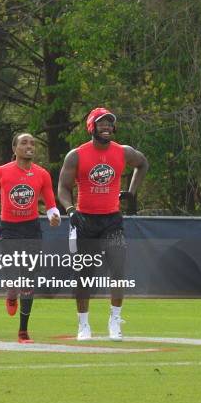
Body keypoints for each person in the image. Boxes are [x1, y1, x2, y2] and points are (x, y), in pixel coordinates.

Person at [58, 107, 148, 341]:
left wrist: (130, 192)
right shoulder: (76, 155)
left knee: (117, 270)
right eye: (102, 124)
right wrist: (70, 210)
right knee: (84, 274)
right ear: (92, 127)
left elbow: (142, 163)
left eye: (110, 123)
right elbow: (63, 188)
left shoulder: (122, 151)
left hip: (112, 220)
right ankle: (83, 324)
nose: (107, 127)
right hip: (85, 220)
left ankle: (115, 320)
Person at [0, 133, 61, 343]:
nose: (29, 146)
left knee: (28, 278)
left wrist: (54, 216)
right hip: (9, 229)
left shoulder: (42, 174)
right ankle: (10, 293)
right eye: (24, 143)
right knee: (11, 275)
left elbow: (51, 202)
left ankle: (23, 331)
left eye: (33, 143)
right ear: (14, 148)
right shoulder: (1, 171)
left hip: (31, 229)